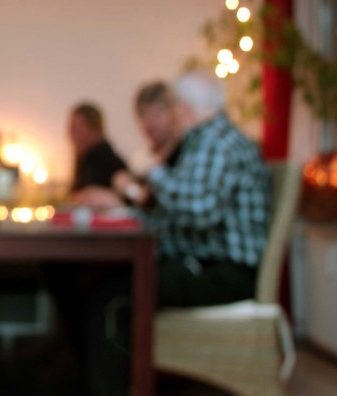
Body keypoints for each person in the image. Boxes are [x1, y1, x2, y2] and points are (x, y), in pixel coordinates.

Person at [54, 71, 271, 396]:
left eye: (167, 108)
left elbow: (198, 213)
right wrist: (131, 207)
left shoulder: (216, 142)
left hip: (222, 272)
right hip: (205, 264)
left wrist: (151, 172)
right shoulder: (208, 141)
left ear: (181, 107)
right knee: (108, 285)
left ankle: (117, 386)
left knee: (110, 298)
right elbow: (180, 213)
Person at [67, 102, 129, 210]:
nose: (72, 133)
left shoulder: (98, 156)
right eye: (72, 128)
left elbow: (86, 198)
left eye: (78, 128)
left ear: (96, 130)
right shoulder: (86, 156)